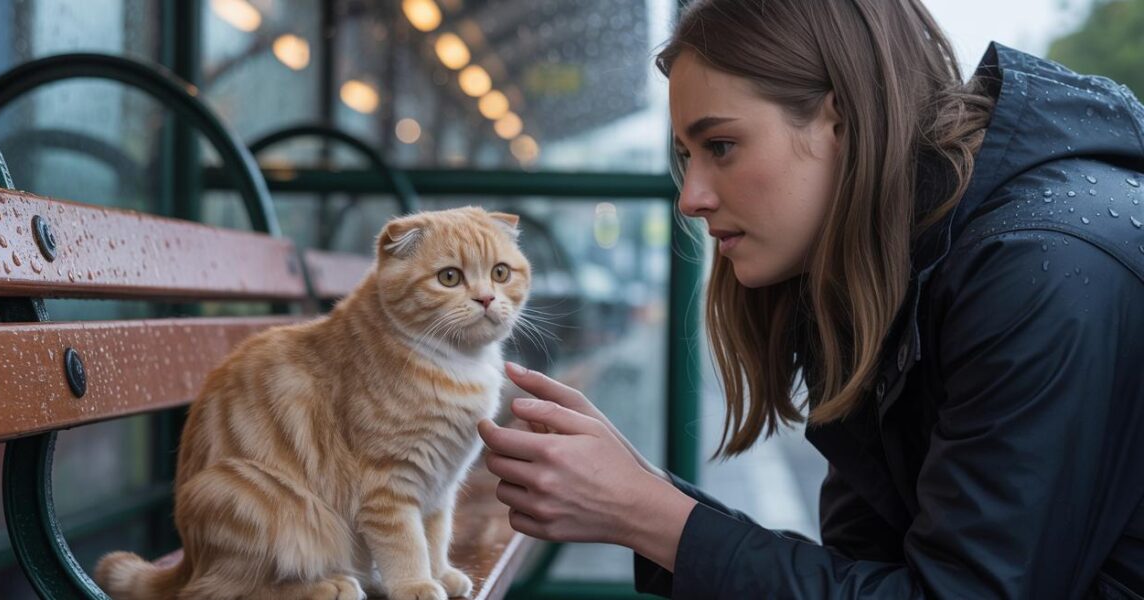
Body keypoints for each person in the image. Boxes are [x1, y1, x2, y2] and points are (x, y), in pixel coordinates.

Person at [476, 0, 1144, 597]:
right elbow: (868, 568)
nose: (692, 197)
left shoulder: (1041, 267)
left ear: (842, 119)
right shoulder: (881, 271)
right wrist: (638, 497)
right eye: (687, 156)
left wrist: (650, 515)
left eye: (722, 145)